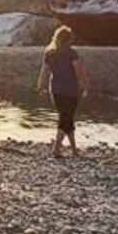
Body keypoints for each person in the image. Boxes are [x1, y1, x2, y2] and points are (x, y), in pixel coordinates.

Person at [36, 25, 90, 157]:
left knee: (67, 118)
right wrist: (85, 86)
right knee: (66, 118)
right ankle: (56, 149)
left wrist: (40, 86)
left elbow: (44, 72)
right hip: (71, 90)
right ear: (69, 39)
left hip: (55, 90)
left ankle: (74, 150)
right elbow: (79, 71)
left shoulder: (49, 53)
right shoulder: (72, 53)